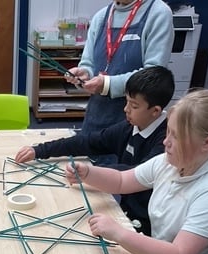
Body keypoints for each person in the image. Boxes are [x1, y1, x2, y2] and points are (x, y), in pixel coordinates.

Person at [65, 89, 208, 254]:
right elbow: (122, 181)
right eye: (168, 131)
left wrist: (119, 233)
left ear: (207, 144)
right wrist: (89, 173)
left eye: (175, 136)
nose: (165, 141)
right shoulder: (172, 161)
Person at [15, 66, 174, 235]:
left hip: (148, 224)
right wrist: (39, 150)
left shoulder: (167, 142)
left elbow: (135, 175)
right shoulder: (130, 126)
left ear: (155, 111)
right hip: (124, 211)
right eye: (126, 101)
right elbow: (88, 141)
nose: (125, 109)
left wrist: (90, 174)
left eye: (134, 106)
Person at [65, 0, 173, 165]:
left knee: (117, 180)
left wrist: (108, 84)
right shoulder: (101, 16)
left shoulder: (157, 13)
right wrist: (84, 73)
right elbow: (88, 62)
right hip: (96, 113)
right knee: (84, 170)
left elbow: (154, 74)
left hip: (131, 120)